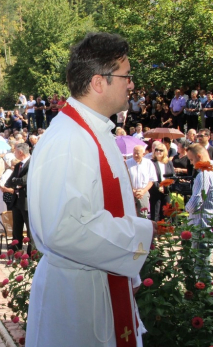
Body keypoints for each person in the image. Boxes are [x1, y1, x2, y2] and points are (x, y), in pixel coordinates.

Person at [26, 33, 155, 347]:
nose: (132, 84)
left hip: (99, 285)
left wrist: (131, 274)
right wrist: (140, 236)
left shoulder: (94, 131)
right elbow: (64, 230)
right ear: (100, 82)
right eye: (126, 75)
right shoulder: (69, 140)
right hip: (77, 300)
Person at [185, 143, 213, 281]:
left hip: (201, 223)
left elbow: (196, 201)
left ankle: (202, 294)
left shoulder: (203, 174)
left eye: (191, 160)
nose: (191, 163)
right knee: (204, 260)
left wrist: (185, 208)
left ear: (199, 157)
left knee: (201, 263)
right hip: (209, 222)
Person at [0, 143, 30, 252]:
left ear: (20, 152)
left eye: (15, 151)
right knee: (17, 226)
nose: (14, 154)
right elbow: (9, 182)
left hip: (26, 201)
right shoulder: (17, 165)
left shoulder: (31, 163)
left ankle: (31, 251)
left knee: (29, 227)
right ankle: (16, 247)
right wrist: (17, 182)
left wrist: (17, 181)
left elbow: (24, 180)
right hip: (16, 200)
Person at [126, 145, 158, 217]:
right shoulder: (127, 163)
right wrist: (133, 190)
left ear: (143, 154)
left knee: (143, 214)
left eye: (138, 153)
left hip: (143, 192)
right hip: (130, 192)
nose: (135, 155)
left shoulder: (148, 163)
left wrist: (143, 191)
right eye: (134, 153)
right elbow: (124, 179)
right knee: (130, 214)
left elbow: (152, 180)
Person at [149, 143, 175, 221]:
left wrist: (166, 186)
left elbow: (173, 176)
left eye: (161, 150)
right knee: (155, 212)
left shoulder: (168, 162)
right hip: (155, 190)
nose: (158, 152)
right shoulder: (151, 162)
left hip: (167, 190)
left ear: (165, 152)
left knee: (167, 212)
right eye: (156, 150)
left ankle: (166, 230)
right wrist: (158, 186)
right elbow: (151, 177)